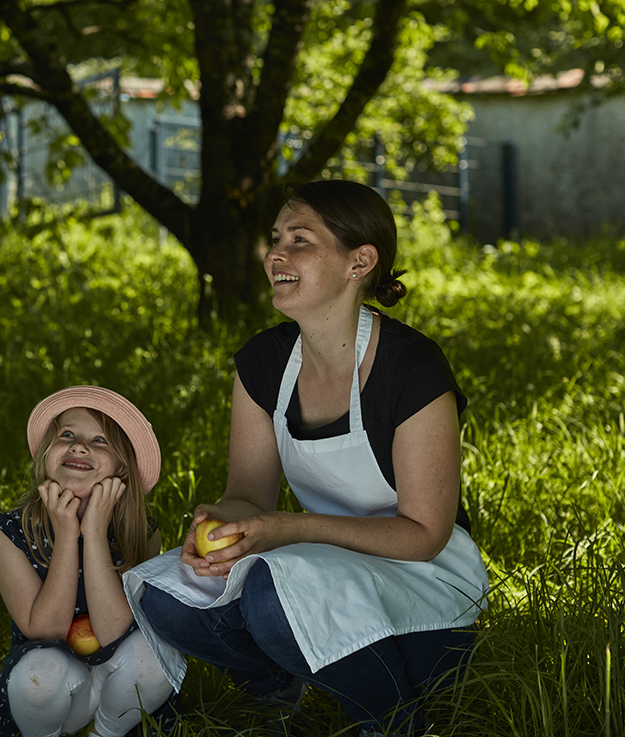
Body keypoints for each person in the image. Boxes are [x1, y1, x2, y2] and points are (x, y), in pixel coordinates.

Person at [124, 180, 489, 737]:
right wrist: (224, 520)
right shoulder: (263, 363)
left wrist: (286, 531)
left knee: (271, 592)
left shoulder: (411, 368)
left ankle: (394, 722)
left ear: (358, 262)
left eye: (301, 240)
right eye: (275, 239)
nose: (277, 254)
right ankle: (277, 692)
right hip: (321, 563)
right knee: (164, 592)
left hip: (427, 582)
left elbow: (425, 534)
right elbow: (247, 492)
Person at [0, 386, 177, 737]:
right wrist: (68, 536)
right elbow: (45, 630)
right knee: (38, 675)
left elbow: (114, 629)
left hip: (119, 685)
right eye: (67, 434)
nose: (79, 446)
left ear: (122, 469)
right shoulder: (8, 532)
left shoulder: (140, 533)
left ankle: (104, 734)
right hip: (50, 689)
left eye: (100, 441)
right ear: (45, 454)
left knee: (156, 657)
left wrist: (96, 533)